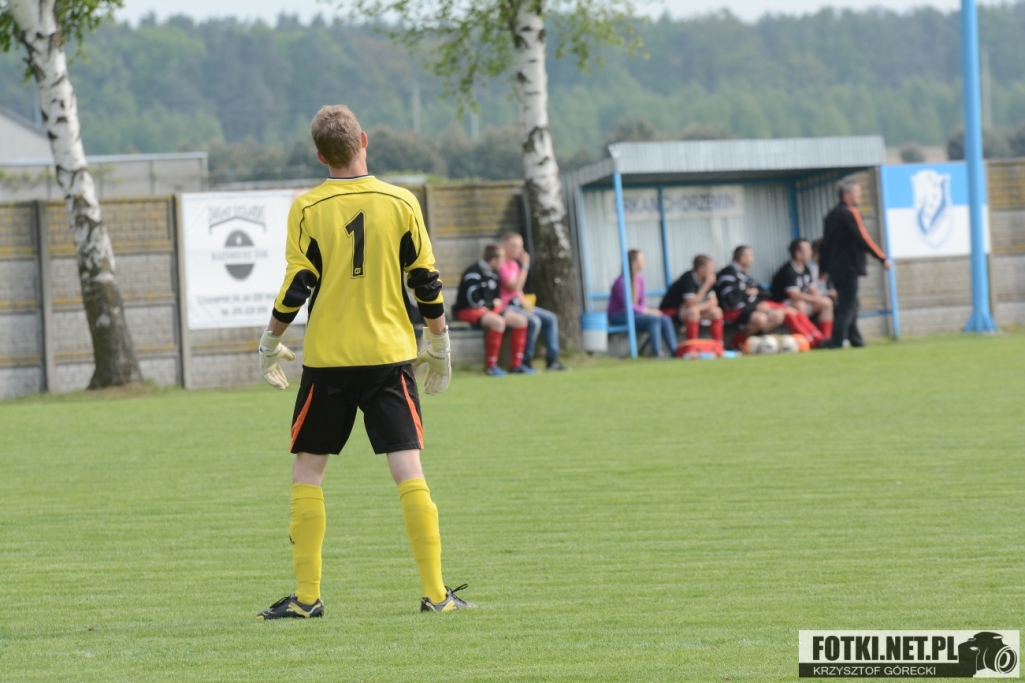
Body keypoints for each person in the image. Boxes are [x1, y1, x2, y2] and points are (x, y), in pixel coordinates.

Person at [255, 105, 474, 619]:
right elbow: (425, 280)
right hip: (389, 356)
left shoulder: (307, 207)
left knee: (308, 471)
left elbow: (298, 284)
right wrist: (440, 341)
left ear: (320, 155)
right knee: (408, 469)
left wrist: (269, 341)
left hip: (328, 359)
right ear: (364, 140)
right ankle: (435, 595)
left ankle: (306, 599)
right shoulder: (402, 201)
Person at [819, 179, 892, 348]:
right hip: (849, 267)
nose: (860, 195)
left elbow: (825, 244)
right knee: (848, 306)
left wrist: (823, 268)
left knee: (851, 303)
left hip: (835, 269)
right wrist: (882, 257)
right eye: (857, 192)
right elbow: (864, 238)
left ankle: (856, 340)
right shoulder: (851, 212)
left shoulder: (831, 214)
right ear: (846, 195)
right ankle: (836, 342)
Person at [452, 244, 531, 376]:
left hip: (488, 310)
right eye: (502, 258)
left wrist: (491, 305)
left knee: (521, 321)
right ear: (494, 260)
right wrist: (491, 304)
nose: (504, 261)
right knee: (498, 322)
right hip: (466, 311)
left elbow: (497, 299)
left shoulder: (494, 273)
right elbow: (473, 302)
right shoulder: (473, 273)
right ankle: (491, 366)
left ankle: (516, 365)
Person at [498, 232, 567, 372]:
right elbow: (514, 286)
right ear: (505, 247)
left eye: (521, 246)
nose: (520, 250)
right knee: (534, 321)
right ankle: (526, 360)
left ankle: (552, 360)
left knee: (550, 318)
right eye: (515, 246)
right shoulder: (502, 265)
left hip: (517, 305)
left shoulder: (514, 265)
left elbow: (518, 291)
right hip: (506, 307)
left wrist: (526, 305)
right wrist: (525, 266)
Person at [714, 245, 787, 351]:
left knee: (778, 315)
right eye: (751, 255)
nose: (753, 258)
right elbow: (730, 302)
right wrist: (754, 305)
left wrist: (757, 293)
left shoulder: (746, 277)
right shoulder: (727, 274)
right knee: (760, 318)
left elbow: (767, 293)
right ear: (742, 259)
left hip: (750, 309)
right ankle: (735, 344)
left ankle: (755, 343)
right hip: (733, 311)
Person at [608, 249, 678, 357]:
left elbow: (642, 304)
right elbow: (628, 306)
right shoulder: (620, 282)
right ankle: (658, 353)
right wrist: (648, 311)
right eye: (642, 259)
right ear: (634, 262)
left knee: (665, 319)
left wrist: (648, 311)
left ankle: (675, 352)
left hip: (636, 315)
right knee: (653, 319)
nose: (644, 261)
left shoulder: (640, 279)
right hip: (619, 316)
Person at [771, 238, 834, 339]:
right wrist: (815, 299)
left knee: (827, 302)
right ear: (798, 254)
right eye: (807, 250)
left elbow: (812, 288)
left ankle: (826, 337)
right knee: (800, 304)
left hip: (801, 302)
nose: (811, 252)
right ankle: (808, 337)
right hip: (782, 304)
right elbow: (794, 295)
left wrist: (818, 299)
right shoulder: (788, 270)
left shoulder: (806, 268)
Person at [660, 254, 724, 344]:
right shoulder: (688, 278)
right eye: (710, 268)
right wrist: (706, 286)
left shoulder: (705, 279)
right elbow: (690, 303)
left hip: (687, 310)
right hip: (670, 311)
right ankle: (692, 345)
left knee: (716, 311)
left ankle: (719, 344)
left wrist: (697, 308)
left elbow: (714, 302)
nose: (712, 271)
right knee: (693, 313)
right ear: (700, 269)